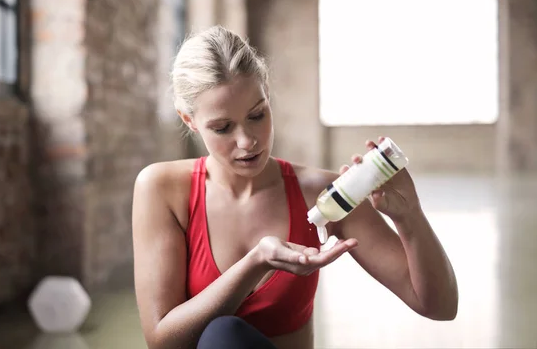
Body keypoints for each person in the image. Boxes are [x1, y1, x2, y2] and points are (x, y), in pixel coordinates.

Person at [132, 25, 458, 349]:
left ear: (268, 95)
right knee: (224, 336)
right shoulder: (162, 190)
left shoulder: (324, 193)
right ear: (189, 120)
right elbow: (162, 342)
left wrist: (409, 216)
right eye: (223, 127)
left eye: (257, 115)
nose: (247, 141)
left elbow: (439, 307)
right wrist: (256, 262)